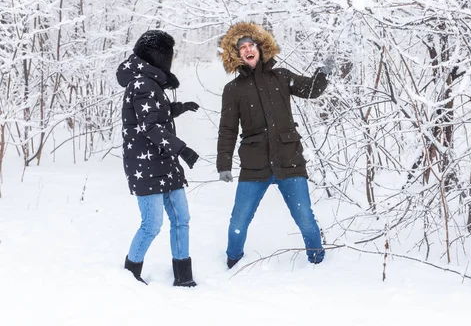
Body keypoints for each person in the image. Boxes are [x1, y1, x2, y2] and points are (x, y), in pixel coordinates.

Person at [216, 21, 333, 268]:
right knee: (239, 221)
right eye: (242, 47)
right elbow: (227, 129)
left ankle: (318, 261)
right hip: (254, 166)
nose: (248, 49)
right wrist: (223, 163)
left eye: (251, 45)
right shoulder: (233, 90)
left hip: (288, 160)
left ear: (260, 48)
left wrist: (325, 72)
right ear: (236, 54)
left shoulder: (281, 77)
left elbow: (312, 90)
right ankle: (232, 261)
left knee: (304, 217)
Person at [116, 30, 200, 287]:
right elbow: (149, 127)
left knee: (181, 218)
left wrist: (178, 108)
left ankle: (183, 277)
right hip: (146, 164)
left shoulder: (149, 82)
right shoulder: (141, 83)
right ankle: (130, 273)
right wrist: (182, 149)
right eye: (169, 55)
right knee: (152, 224)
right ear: (158, 56)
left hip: (163, 161)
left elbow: (155, 113)